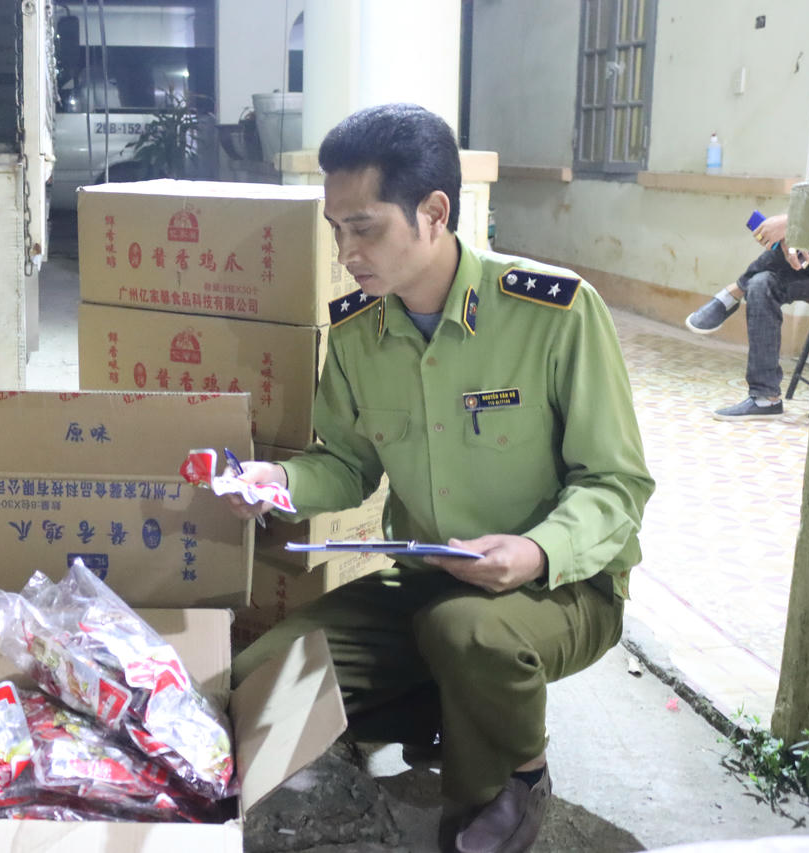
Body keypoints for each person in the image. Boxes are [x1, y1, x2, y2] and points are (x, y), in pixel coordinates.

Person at [222, 103, 654, 853]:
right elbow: (347, 465)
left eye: (364, 227)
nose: (346, 251)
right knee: (263, 682)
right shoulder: (359, 333)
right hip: (429, 580)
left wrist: (536, 551)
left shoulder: (553, 313)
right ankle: (449, 706)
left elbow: (617, 483)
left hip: (562, 587)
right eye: (336, 229)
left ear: (434, 212)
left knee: (468, 633)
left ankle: (514, 780)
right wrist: (275, 481)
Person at [684, 140, 809, 419]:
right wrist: (794, 239)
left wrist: (791, 223)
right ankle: (766, 398)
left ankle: (732, 292)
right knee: (761, 284)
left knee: (762, 270)